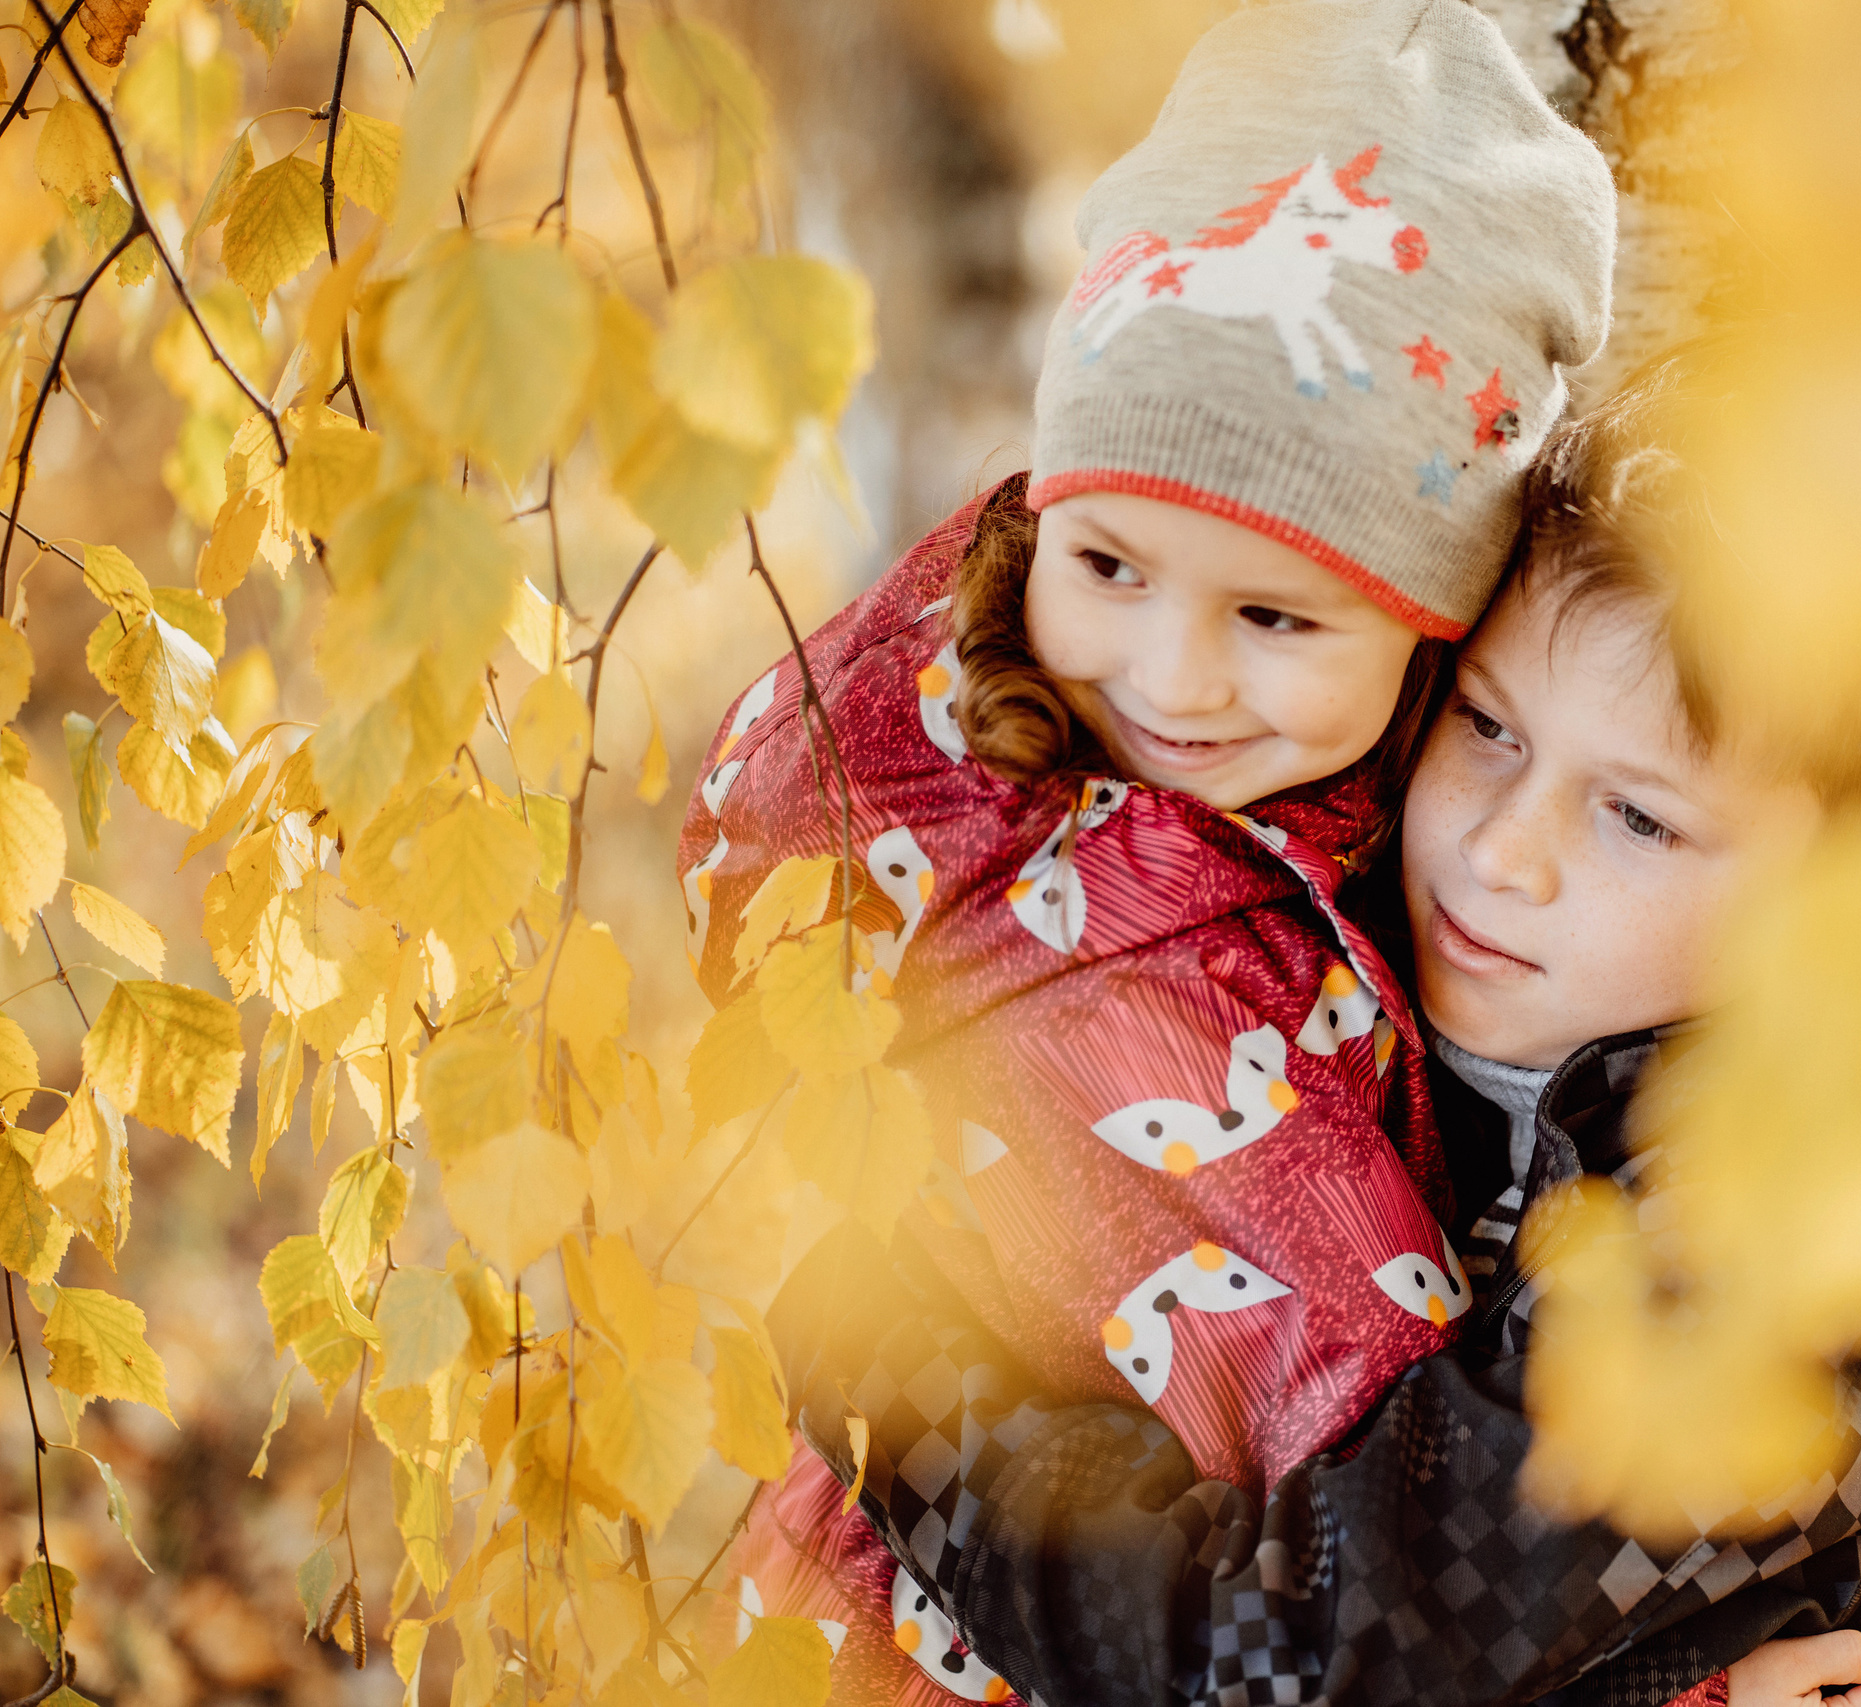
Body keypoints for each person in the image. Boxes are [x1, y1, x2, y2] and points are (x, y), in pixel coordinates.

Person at [793, 351, 1861, 1707]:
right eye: (1490, 725)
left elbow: (1288, 1661)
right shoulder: (1386, 916)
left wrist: (882, 1380)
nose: (1501, 851)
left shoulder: (1783, 1256)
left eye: (1640, 818)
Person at [679, 1, 1617, 1697]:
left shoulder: (1317, 815)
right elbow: (1375, 1476)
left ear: (1436, 622)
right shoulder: (1119, 941)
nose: (1173, 681)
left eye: (1274, 615)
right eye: (1108, 565)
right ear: (1039, 513)